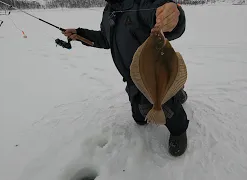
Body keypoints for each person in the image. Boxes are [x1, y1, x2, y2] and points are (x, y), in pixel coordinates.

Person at [63, 0, 189, 157]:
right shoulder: (109, 10)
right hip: (132, 78)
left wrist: (173, 16)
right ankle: (177, 92)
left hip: (154, 74)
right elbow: (105, 38)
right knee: (140, 119)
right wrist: (80, 34)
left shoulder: (141, 3)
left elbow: (163, 16)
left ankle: (179, 130)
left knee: (167, 105)